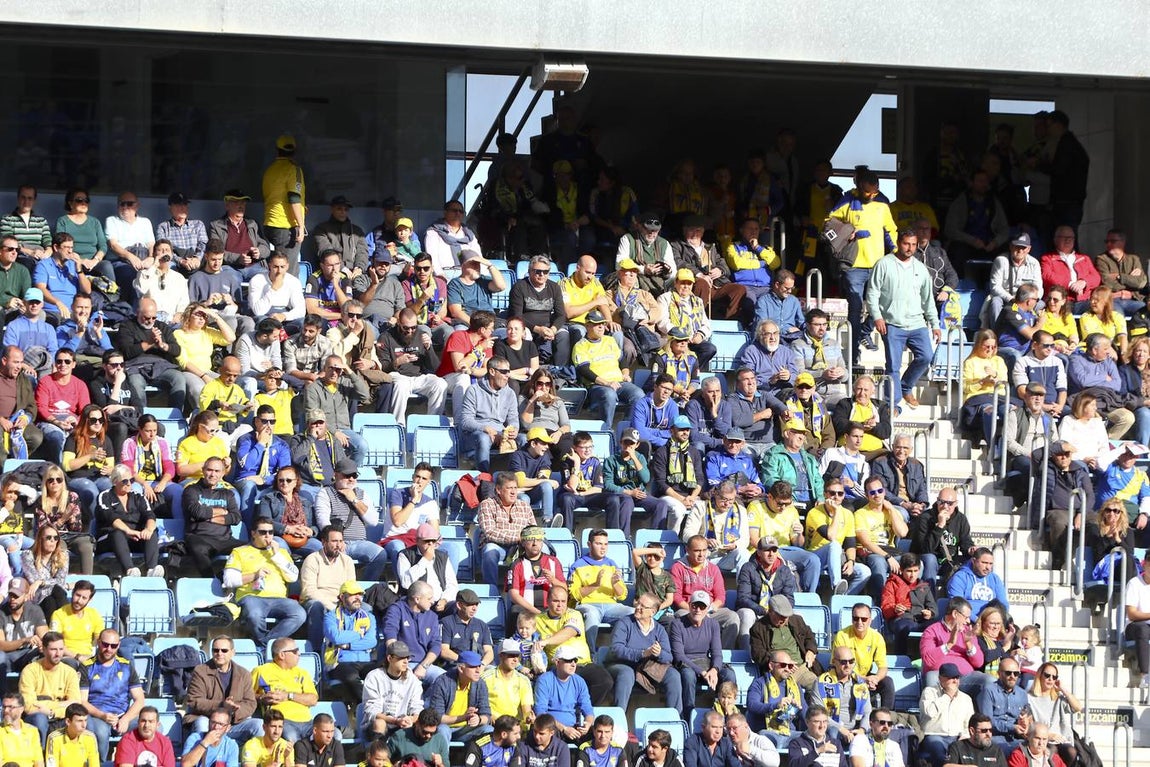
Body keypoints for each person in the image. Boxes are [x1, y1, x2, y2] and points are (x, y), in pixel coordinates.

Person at [866, 229, 941, 409]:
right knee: (893, 366)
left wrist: (935, 324)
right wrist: (877, 316)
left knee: (926, 357)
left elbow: (928, 300)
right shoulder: (884, 264)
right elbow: (872, 293)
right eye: (906, 243)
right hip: (892, 324)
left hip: (917, 323)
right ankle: (893, 405)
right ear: (899, 242)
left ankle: (906, 386)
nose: (910, 248)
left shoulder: (921, 268)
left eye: (914, 245)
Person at [222, 516, 306, 646]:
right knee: (254, 615)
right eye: (263, 532)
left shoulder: (281, 553)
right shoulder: (240, 552)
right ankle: (267, 647)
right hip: (251, 597)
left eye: (270, 532)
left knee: (299, 614)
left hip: (279, 599)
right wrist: (255, 575)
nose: (267, 536)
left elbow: (293, 577)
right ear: (253, 533)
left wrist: (277, 556)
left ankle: (265, 645)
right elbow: (229, 580)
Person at [79, 627, 145, 761]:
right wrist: (103, 715)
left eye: (113, 646)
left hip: (122, 715)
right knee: (101, 733)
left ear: (118, 645)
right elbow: (82, 701)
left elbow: (139, 699)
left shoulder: (126, 666)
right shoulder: (86, 666)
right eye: (105, 644)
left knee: (150, 726)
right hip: (97, 715)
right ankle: (101, 763)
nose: (109, 649)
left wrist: (126, 719)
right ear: (98, 642)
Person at [607, 593, 681, 712]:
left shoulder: (659, 630)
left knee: (673, 675)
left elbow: (668, 657)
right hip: (622, 664)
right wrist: (642, 653)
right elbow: (616, 649)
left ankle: (675, 718)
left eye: (643, 606)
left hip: (647, 667)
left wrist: (659, 653)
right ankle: (619, 718)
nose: (638, 607)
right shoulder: (624, 623)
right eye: (638, 603)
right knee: (626, 673)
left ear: (652, 612)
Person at [315, 457, 386, 580]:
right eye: (347, 475)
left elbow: (373, 521)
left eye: (354, 475)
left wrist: (354, 500)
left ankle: (366, 588)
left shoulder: (361, 494)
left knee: (380, 554)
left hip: (359, 542)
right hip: (336, 542)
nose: (351, 479)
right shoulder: (325, 493)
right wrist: (337, 542)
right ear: (336, 475)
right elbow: (323, 522)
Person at [184, 635, 261, 743]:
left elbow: (250, 703)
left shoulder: (244, 674)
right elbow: (194, 701)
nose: (219, 653)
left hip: (232, 724)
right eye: (216, 650)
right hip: (208, 721)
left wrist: (233, 712)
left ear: (232, 652)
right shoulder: (200, 671)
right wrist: (221, 706)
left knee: (258, 725)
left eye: (224, 650)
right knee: (202, 722)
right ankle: (202, 758)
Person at [573, 309, 643, 425]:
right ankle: (607, 429)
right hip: (597, 386)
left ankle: (626, 427)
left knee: (638, 394)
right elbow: (584, 370)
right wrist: (607, 383)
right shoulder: (581, 345)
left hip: (619, 382)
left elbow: (622, 361)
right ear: (588, 326)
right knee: (609, 395)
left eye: (603, 324)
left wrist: (625, 374)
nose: (601, 327)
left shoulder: (610, 340)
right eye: (596, 324)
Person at [670, 535, 741, 648]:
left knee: (732, 617)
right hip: (688, 610)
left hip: (710, 610)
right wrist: (694, 611)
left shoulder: (713, 568)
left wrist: (711, 608)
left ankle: (722, 655)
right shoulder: (678, 568)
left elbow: (720, 596)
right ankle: (690, 654)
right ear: (687, 550)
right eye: (697, 551)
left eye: (704, 550)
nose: (701, 554)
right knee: (681, 616)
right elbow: (677, 596)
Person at [670, 591, 734, 715]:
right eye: (694, 606)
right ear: (689, 606)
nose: (698, 610)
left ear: (707, 609)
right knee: (688, 675)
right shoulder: (677, 624)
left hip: (705, 662)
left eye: (702, 606)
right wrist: (702, 672)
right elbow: (679, 656)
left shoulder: (713, 624)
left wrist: (714, 669)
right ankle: (688, 715)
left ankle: (726, 714)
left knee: (729, 674)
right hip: (687, 663)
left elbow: (716, 652)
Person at [568, 529, 634, 649]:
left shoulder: (612, 564)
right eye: (598, 544)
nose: (603, 548)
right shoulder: (578, 565)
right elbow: (574, 595)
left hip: (611, 606)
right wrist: (595, 585)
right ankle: (590, 655)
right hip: (588, 604)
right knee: (591, 614)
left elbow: (622, 595)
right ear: (589, 545)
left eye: (605, 544)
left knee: (633, 613)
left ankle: (621, 651)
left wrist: (615, 584)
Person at [94, 464, 161, 578]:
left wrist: (148, 529)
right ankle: (130, 570)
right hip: (110, 539)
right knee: (117, 533)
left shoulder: (138, 497)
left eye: (132, 480)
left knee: (152, 532)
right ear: (115, 482)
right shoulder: (104, 496)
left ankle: (151, 570)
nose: (129, 483)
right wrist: (128, 531)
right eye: (125, 481)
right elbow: (110, 517)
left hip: (134, 538)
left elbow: (150, 515)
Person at [182, 457, 242, 575]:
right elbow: (197, 512)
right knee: (198, 548)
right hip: (199, 537)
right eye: (209, 470)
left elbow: (235, 517)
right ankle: (210, 581)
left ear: (223, 473)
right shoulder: (191, 490)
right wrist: (223, 512)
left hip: (225, 540)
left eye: (217, 471)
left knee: (252, 548)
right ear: (203, 470)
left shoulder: (228, 493)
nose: (212, 474)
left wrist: (207, 516)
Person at [19, 631, 81, 746]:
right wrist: (62, 704)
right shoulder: (30, 671)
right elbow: (28, 706)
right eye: (53, 649)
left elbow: (75, 706)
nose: (58, 654)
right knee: (39, 719)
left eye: (61, 649)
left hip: (61, 718)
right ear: (43, 649)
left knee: (82, 721)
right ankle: (41, 757)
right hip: (37, 717)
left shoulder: (69, 672)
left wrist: (51, 712)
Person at [459, 355, 519, 472]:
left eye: (508, 372)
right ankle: (483, 478)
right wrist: (485, 428)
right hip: (475, 435)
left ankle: (518, 479)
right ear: (492, 371)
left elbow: (513, 419)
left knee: (523, 439)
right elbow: (465, 422)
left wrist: (514, 430)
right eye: (504, 372)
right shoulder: (474, 390)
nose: (508, 375)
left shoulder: (510, 393)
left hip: (501, 435)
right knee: (484, 438)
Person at [832, 603, 894, 709]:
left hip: (866, 677)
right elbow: (840, 667)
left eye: (864, 619)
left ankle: (885, 717)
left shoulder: (877, 637)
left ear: (870, 620)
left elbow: (883, 667)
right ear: (852, 619)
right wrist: (864, 679)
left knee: (887, 683)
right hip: (845, 676)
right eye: (856, 618)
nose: (859, 622)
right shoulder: (842, 636)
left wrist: (876, 679)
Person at [360, 641, 423, 741]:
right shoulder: (374, 677)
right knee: (379, 722)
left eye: (407, 658)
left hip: (402, 724)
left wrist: (410, 719)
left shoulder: (413, 680)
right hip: (376, 725)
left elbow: (417, 708)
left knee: (417, 726)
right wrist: (395, 720)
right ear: (389, 658)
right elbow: (372, 711)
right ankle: (379, 755)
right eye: (401, 658)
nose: (406, 661)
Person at [425, 650, 493, 743]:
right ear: (461, 668)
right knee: (443, 730)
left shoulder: (480, 684)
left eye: (479, 666)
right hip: (445, 727)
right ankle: (443, 757)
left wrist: (479, 719)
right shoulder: (443, 682)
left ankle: (475, 757)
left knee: (488, 730)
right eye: (473, 667)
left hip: (465, 730)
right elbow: (437, 717)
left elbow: (487, 715)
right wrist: (464, 717)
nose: (478, 670)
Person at [532, 645, 594, 742]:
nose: (573, 664)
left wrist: (588, 724)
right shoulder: (544, 680)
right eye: (569, 660)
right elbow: (541, 713)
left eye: (575, 661)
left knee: (598, 733)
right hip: (552, 728)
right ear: (557, 662)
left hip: (574, 728)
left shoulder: (579, 681)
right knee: (546, 732)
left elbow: (588, 709)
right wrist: (564, 729)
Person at [918, 663, 976, 767]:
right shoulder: (929, 692)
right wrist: (947, 696)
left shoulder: (966, 698)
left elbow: (969, 723)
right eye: (951, 678)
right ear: (940, 678)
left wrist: (965, 736)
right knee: (939, 750)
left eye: (957, 677)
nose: (955, 681)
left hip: (958, 737)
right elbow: (929, 713)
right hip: (933, 735)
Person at [982, 233, 1043, 329]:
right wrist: (1011, 299)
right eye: (1017, 246)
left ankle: (1035, 336)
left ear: (1029, 249)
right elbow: (994, 287)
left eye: (1023, 247)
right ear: (1010, 246)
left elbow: (1039, 288)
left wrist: (1032, 300)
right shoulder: (1001, 260)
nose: (1020, 250)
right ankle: (997, 334)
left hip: (1026, 300)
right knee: (995, 302)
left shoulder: (1034, 263)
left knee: (1040, 304)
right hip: (1007, 299)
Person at [747, 649, 807, 748]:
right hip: (768, 732)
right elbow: (752, 705)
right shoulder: (759, 683)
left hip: (789, 733)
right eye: (783, 665)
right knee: (764, 736)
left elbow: (805, 712)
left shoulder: (795, 686)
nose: (787, 669)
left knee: (809, 738)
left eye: (790, 666)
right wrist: (775, 705)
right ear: (771, 666)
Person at [881, 553, 938, 655]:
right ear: (901, 570)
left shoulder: (924, 586)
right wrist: (895, 609)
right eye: (909, 571)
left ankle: (932, 658)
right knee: (905, 627)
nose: (912, 575)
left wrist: (930, 613)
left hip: (921, 619)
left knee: (936, 627)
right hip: (900, 619)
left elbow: (933, 608)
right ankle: (901, 658)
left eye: (915, 571)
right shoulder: (892, 584)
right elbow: (886, 607)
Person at [1026, 662, 1082, 764]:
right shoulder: (1029, 698)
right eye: (1047, 675)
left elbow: (1078, 707)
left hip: (1061, 739)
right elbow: (1029, 724)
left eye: (1054, 677)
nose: (1050, 679)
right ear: (1040, 676)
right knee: (1052, 754)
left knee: (1071, 752)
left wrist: (1063, 689)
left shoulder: (1058, 697)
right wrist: (1048, 735)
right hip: (1041, 739)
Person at [396, 524, 458, 612]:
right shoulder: (405, 555)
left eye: (433, 541)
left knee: (458, 607)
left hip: (439, 603)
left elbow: (452, 584)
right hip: (417, 603)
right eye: (427, 541)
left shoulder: (443, 557)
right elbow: (406, 583)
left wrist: (444, 599)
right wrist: (424, 560)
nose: (430, 543)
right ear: (417, 541)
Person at [977, 658, 1031, 752]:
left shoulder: (1022, 694)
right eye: (1008, 673)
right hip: (995, 737)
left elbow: (1026, 717)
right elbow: (986, 722)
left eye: (1016, 673)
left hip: (1017, 738)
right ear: (999, 673)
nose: (1012, 676)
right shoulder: (989, 691)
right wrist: (1012, 727)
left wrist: (1025, 725)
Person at [870, 434, 929, 520]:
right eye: (898, 447)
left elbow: (922, 489)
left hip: (913, 504)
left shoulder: (917, 465)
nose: (901, 451)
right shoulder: (880, 463)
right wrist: (903, 503)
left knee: (927, 517)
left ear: (911, 450)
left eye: (905, 448)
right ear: (893, 447)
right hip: (893, 504)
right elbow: (881, 490)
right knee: (902, 514)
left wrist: (921, 504)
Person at [0, 578, 48, 679]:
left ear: (26, 596)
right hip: (5, 656)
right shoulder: (1, 612)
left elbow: (45, 638)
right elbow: (1, 645)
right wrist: (24, 640)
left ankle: (32, 694)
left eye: (16, 596)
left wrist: (41, 646)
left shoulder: (35, 611)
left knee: (42, 655)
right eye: (11, 595)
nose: (12, 599)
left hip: (26, 655)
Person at [48, 579, 102, 666]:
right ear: (72, 593)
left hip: (88, 656)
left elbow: (100, 638)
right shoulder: (59, 614)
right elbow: (55, 643)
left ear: (90, 599)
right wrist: (78, 656)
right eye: (77, 595)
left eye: (84, 598)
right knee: (73, 664)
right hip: (66, 657)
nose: (79, 601)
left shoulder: (94, 614)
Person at [21, 525, 71, 618]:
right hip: (37, 599)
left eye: (56, 538)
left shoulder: (63, 556)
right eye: (48, 538)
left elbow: (60, 581)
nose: (53, 541)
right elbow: (33, 580)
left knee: (55, 594)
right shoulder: (28, 555)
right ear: (40, 539)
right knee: (52, 598)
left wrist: (41, 582)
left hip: (56, 597)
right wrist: (66, 586)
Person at [482, 641, 535, 725]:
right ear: (501, 656)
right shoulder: (486, 678)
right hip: (493, 725)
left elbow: (526, 708)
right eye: (511, 655)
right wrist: (489, 716)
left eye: (517, 656)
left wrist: (528, 716)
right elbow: (480, 705)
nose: (515, 660)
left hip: (516, 727)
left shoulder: (523, 680)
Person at [948, 548, 1009, 617]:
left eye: (990, 564)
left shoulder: (995, 579)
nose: (988, 567)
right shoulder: (960, 577)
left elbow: (1003, 604)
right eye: (984, 563)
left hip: (991, 621)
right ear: (973, 561)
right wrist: (977, 621)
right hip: (967, 621)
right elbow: (958, 605)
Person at [1123, 550, 1150, 689]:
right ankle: (1145, 676)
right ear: (1144, 564)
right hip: (1134, 626)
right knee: (1143, 629)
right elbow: (1132, 614)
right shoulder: (1134, 583)